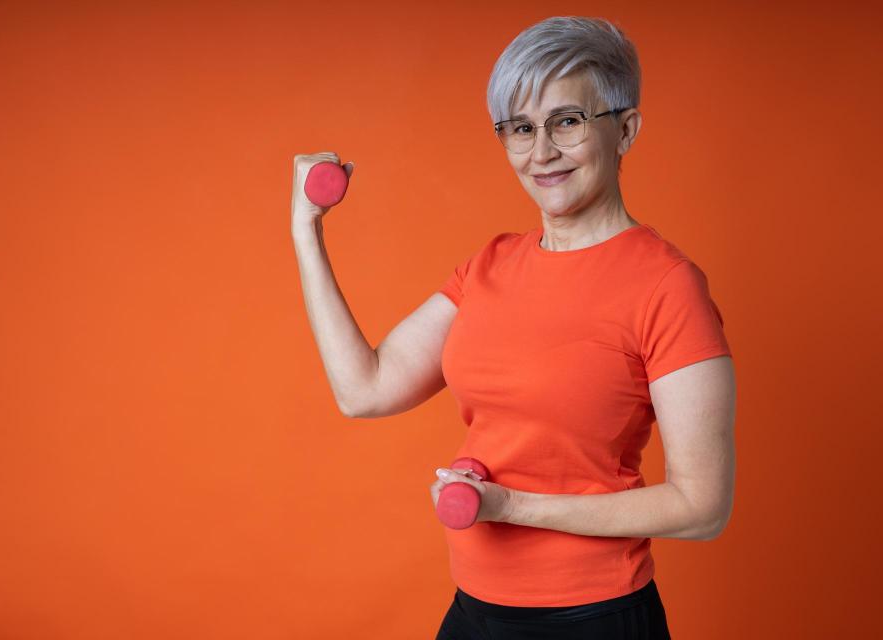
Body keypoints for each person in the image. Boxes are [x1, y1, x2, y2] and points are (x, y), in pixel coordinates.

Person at [291, 15, 735, 640]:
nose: (541, 151)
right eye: (521, 128)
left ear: (625, 129)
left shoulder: (667, 285)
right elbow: (364, 389)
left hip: (594, 617)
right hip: (476, 611)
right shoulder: (489, 267)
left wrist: (510, 508)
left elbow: (702, 506)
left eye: (568, 121)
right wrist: (306, 231)